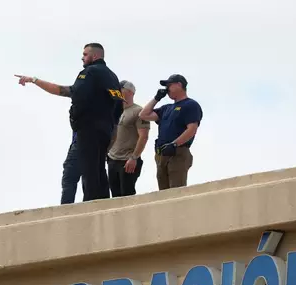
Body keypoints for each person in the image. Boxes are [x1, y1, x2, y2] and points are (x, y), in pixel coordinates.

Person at [15, 43, 123, 202]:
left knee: (89, 171)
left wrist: (35, 80)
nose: (82, 58)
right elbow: (118, 106)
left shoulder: (90, 72)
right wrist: (112, 130)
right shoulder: (112, 77)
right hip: (105, 131)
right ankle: (102, 204)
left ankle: (92, 206)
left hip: (89, 130)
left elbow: (69, 92)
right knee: (99, 169)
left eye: (85, 54)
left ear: (95, 56)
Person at [139, 74, 203, 190]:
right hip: (162, 154)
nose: (167, 89)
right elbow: (143, 115)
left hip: (177, 153)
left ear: (179, 85)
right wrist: (156, 98)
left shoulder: (190, 105)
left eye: (169, 85)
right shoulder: (166, 108)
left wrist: (175, 144)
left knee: (176, 190)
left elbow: (192, 129)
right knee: (163, 192)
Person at [106, 80, 150, 197]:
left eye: (121, 88)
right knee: (115, 196)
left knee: (127, 195)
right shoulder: (114, 111)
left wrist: (134, 157)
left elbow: (144, 136)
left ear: (130, 92)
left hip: (128, 160)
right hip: (112, 159)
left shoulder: (139, 111)